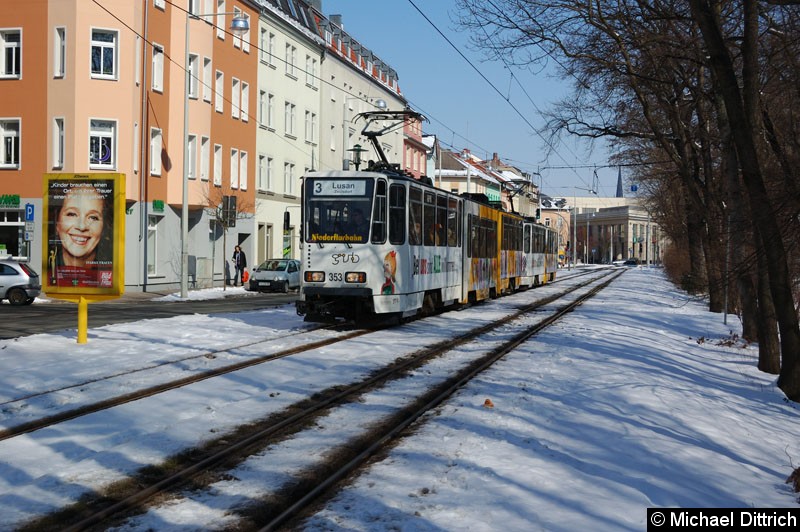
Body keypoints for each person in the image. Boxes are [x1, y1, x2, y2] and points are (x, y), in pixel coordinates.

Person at [50, 181, 113, 288]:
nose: (82, 226)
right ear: (57, 223)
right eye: (72, 214)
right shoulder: (49, 265)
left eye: (93, 217)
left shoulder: (110, 267)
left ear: (103, 227)